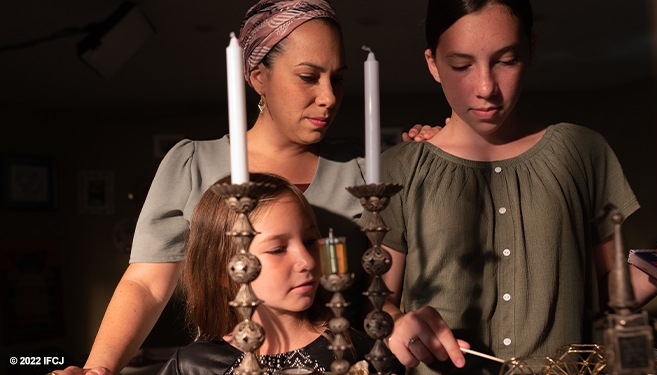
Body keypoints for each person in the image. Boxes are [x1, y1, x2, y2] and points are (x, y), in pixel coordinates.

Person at [54, 1, 438, 374]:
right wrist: (97, 369)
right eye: (308, 77)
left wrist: (440, 149)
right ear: (258, 77)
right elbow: (146, 285)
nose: (329, 98)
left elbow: (382, 296)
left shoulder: (363, 169)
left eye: (337, 78)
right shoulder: (193, 166)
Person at [363, 1, 657, 374]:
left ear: (531, 51)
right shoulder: (400, 168)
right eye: (461, 66)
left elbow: (604, 289)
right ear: (432, 64)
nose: (485, 88)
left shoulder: (582, 151)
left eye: (506, 60)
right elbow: (376, 302)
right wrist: (398, 323)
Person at [156, 173, 373, 374]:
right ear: (225, 272)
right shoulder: (194, 367)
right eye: (278, 249)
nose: (307, 261)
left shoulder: (354, 353)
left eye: (310, 241)